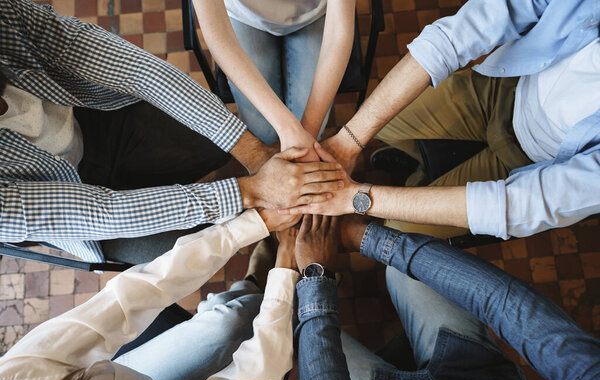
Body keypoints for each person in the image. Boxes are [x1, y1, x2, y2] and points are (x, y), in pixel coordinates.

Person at [0, 0, 344, 265]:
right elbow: (99, 212)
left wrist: (255, 155)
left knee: (222, 142)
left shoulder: (5, 17)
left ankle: (271, 213)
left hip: (95, 118)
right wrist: (251, 191)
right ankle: (264, 245)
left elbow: (137, 69)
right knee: (197, 252)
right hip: (79, 216)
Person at [287, 0, 600, 240]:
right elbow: (461, 33)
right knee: (383, 123)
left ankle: (422, 177)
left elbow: (519, 205)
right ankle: (419, 168)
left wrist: (355, 198)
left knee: (396, 232)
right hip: (504, 84)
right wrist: (348, 142)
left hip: (526, 165)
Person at [0, 208, 302, 380]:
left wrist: (249, 225)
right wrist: (287, 264)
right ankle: (301, 290)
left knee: (230, 321)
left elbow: (130, 296)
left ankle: (251, 284)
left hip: (132, 379)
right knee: (275, 334)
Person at [293, 215, 600, 380]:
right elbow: (508, 305)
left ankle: (266, 271)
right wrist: (368, 237)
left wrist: (316, 275)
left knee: (294, 317)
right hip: (474, 372)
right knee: (402, 269)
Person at [193, 0, 356, 157]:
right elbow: (218, 31)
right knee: (261, 131)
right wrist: (288, 129)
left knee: (315, 130)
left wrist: (306, 137)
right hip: (243, 15)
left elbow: (338, 32)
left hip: (313, 14)